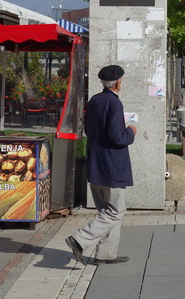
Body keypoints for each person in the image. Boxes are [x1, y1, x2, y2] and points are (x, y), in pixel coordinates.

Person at [66, 65, 136, 265]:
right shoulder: (114, 103)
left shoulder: (95, 100)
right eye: (121, 79)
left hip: (96, 163)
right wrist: (131, 131)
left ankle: (105, 254)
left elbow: (89, 129)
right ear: (117, 82)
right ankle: (79, 240)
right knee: (115, 211)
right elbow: (117, 137)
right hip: (112, 166)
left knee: (107, 211)